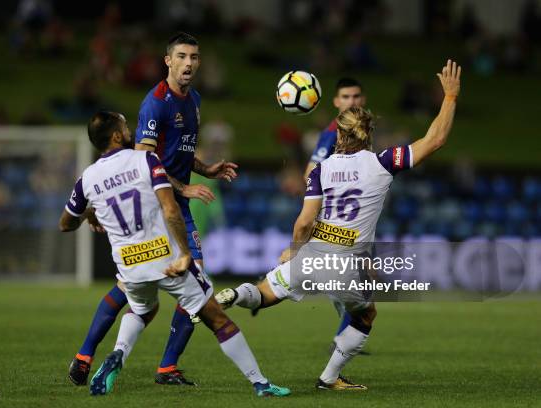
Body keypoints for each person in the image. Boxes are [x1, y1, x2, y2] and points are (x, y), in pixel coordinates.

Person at [216, 60, 461, 390]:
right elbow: (434, 140)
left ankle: (235, 293)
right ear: (368, 132)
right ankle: (329, 378)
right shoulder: (382, 162)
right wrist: (450, 97)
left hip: (312, 254)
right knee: (366, 315)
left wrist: (293, 249)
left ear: (339, 134)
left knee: (263, 294)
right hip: (345, 263)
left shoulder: (322, 168)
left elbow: (304, 221)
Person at [59, 111, 290, 397]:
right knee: (218, 319)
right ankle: (261, 383)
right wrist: (184, 254)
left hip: (130, 267)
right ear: (117, 136)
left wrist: (89, 215)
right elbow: (170, 209)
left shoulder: (87, 178)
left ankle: (117, 353)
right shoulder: (145, 160)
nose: (131, 129)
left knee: (145, 309)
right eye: (125, 126)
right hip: (165, 259)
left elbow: (66, 223)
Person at [68, 32, 238, 387]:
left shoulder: (193, 100)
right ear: (168, 61)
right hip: (159, 205)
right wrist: (184, 186)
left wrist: (206, 170)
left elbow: (181, 151)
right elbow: (147, 158)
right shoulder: (155, 104)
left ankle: (96, 358)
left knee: (135, 287)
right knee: (189, 284)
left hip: (180, 203)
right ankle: (150, 365)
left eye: (194, 56)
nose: (189, 63)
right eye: (182, 56)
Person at [303, 77, 367, 349]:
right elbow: (310, 172)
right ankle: (343, 339)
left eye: (356, 96)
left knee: (350, 284)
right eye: (346, 97)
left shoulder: (362, 132)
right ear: (336, 102)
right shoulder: (332, 133)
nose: (351, 101)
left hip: (356, 215)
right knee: (356, 285)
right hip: (339, 218)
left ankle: (344, 335)